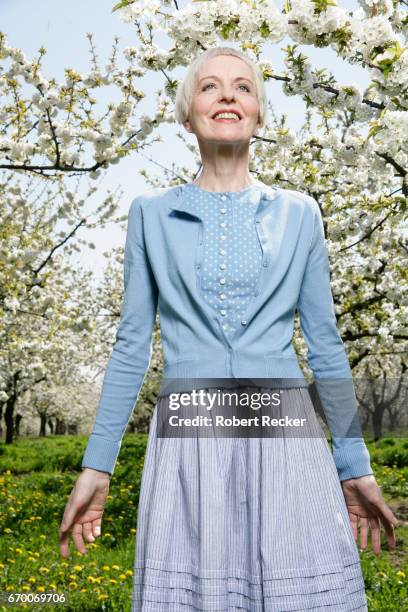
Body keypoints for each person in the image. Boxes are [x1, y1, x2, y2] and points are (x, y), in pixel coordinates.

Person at [59, 46, 398, 610]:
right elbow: (130, 345)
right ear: (186, 112)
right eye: (210, 86)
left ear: (259, 114)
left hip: (286, 436)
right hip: (191, 438)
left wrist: (354, 462)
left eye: (243, 87)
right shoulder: (150, 212)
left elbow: (326, 346)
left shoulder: (301, 213)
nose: (227, 96)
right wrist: (98, 463)